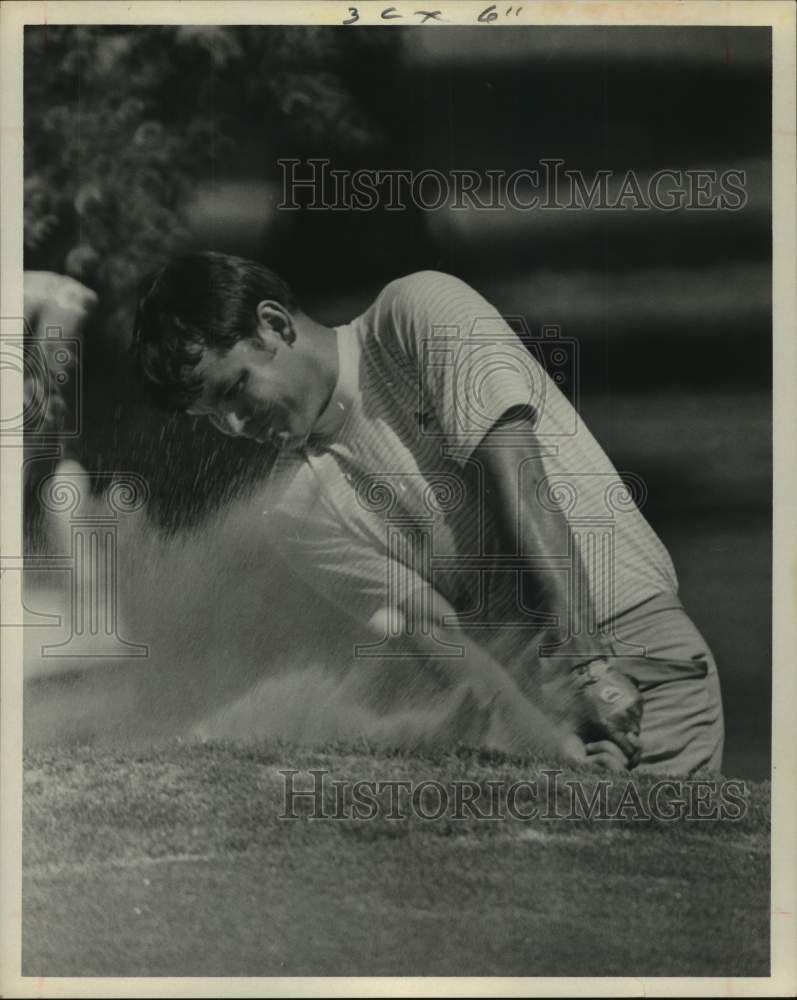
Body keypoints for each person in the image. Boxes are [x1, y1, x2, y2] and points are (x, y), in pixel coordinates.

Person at [131, 252, 724, 774]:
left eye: (234, 390)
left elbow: (519, 476)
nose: (234, 427)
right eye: (210, 415)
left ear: (274, 324)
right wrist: (553, 751)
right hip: (540, 708)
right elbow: (441, 644)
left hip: (626, 642)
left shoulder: (416, 313)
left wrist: (587, 668)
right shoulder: (296, 516)